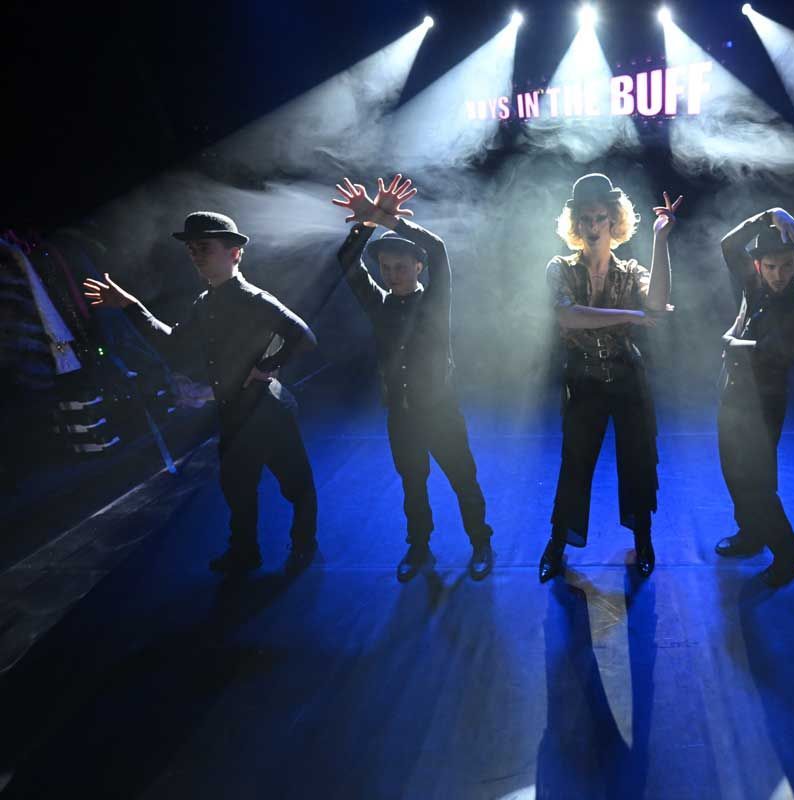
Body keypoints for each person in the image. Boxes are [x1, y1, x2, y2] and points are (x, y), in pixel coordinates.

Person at [83, 212, 319, 574]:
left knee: (295, 483)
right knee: (237, 488)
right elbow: (172, 344)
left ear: (234, 253)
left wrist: (267, 366)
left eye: (204, 247)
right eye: (192, 249)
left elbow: (304, 337)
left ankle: (304, 544)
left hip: (268, 410)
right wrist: (131, 306)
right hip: (234, 413)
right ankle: (245, 552)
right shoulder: (205, 302)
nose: (195, 255)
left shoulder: (253, 298)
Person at [332, 174, 495, 582]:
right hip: (401, 415)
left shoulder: (435, 300)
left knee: (463, 479)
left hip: (440, 411)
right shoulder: (379, 304)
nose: (392, 274)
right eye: (386, 268)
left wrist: (389, 220)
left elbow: (437, 249)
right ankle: (419, 546)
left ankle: (480, 541)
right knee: (412, 484)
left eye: (400, 267)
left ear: (418, 267)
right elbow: (346, 261)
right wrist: (365, 223)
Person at [539, 174, 682, 582]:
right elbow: (569, 316)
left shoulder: (630, 270)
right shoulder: (560, 268)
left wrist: (661, 239)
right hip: (583, 378)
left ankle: (644, 540)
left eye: (599, 217)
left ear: (613, 220)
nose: (592, 226)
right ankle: (556, 543)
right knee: (575, 465)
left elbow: (657, 303)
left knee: (638, 461)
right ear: (575, 223)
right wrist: (633, 315)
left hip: (626, 376)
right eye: (585, 218)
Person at [711, 208, 794, 587]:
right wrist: (768, 216)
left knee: (757, 481)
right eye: (771, 266)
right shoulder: (754, 285)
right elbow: (729, 245)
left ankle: (788, 547)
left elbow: (767, 354)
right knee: (733, 472)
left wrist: (728, 341)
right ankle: (751, 532)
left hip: (764, 403)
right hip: (733, 394)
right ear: (758, 266)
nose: (779, 274)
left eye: (786, 265)